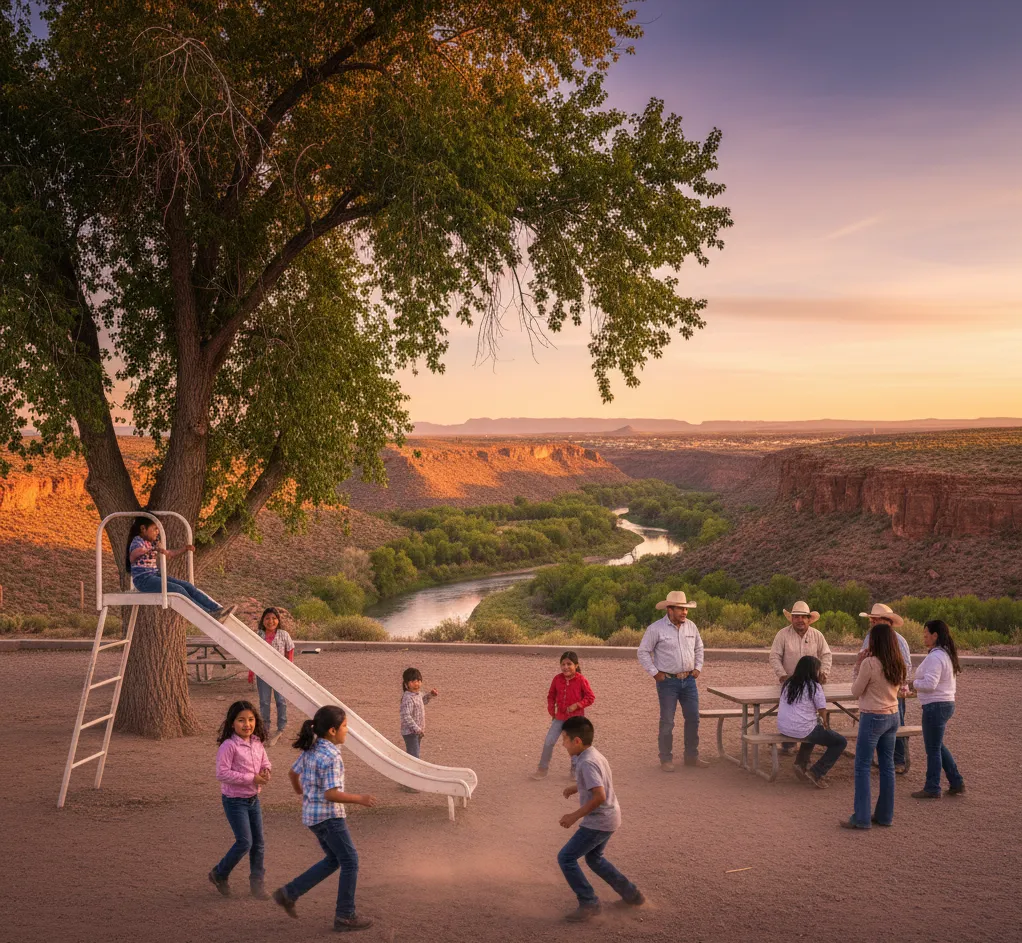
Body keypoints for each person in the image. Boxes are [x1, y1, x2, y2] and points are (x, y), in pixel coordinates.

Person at [273, 706, 377, 932]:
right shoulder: (332, 756)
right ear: (332, 730)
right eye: (345, 726)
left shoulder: (312, 748)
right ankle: (345, 915)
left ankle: (289, 893)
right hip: (330, 818)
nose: (347, 731)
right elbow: (331, 794)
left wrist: (300, 791)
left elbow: (293, 773)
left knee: (334, 859)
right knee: (350, 861)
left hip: (313, 818)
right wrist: (360, 799)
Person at [556, 716, 645, 922]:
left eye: (565, 739)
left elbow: (599, 796)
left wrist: (573, 816)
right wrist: (576, 787)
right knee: (594, 859)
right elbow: (597, 783)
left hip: (599, 821)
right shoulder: (593, 754)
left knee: (566, 858)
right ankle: (632, 895)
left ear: (576, 741)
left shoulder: (586, 762)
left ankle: (589, 903)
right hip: (611, 816)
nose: (562, 744)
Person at [841, 621, 906, 830]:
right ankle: (885, 815)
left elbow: (855, 690)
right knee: (887, 766)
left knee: (862, 766)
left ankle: (861, 817)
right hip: (892, 715)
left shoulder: (870, 664)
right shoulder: (898, 662)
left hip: (872, 716)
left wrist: (858, 665)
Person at [637, 590, 708, 771]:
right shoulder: (655, 629)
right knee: (668, 720)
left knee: (693, 718)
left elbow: (699, 647)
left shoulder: (691, 626)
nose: (684, 612)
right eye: (680, 609)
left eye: (686, 609)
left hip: (689, 680)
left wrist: (698, 667)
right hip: (667, 682)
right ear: (670, 609)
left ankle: (691, 756)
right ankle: (666, 759)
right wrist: (654, 673)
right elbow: (643, 651)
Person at [209, 700, 272, 899]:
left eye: (251, 719)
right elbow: (222, 773)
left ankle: (257, 884)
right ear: (232, 723)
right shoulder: (228, 746)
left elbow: (265, 760)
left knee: (259, 843)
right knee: (245, 842)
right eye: (241, 720)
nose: (247, 724)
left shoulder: (257, 742)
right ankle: (219, 873)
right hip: (234, 800)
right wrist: (251, 778)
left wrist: (266, 770)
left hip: (253, 799)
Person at [125, 517, 236, 622]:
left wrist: (185, 549)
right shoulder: (137, 541)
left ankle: (216, 609)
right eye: (155, 529)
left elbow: (169, 554)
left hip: (155, 575)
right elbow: (133, 555)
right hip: (143, 580)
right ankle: (207, 613)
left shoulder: (152, 542)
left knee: (187, 586)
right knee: (178, 589)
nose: (157, 532)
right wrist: (152, 548)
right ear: (143, 529)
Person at [910, 619, 965, 799]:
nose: (924, 637)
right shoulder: (945, 654)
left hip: (935, 705)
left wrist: (913, 684)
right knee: (937, 745)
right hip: (945, 703)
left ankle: (933, 786)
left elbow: (930, 684)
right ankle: (956, 781)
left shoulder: (935, 657)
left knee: (932, 748)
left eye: (926, 634)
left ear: (935, 635)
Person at [776, 656, 847, 788]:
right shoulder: (814, 686)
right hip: (802, 728)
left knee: (814, 726)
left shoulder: (788, 683)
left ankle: (801, 764)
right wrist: (826, 725)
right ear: (813, 671)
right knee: (840, 741)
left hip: (784, 727)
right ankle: (817, 772)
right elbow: (822, 710)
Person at [860, 603, 913, 774]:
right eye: (872, 620)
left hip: (891, 689)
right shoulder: (869, 637)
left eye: (876, 620)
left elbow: (906, 666)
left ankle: (899, 760)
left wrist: (893, 681)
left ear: (887, 622)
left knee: (897, 722)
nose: (873, 623)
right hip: (873, 689)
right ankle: (884, 759)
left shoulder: (899, 641)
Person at [531, 651, 596, 781]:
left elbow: (590, 697)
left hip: (575, 720)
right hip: (559, 717)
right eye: (563, 664)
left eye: (569, 664)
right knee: (549, 741)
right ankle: (542, 769)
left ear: (576, 665)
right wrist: (552, 712)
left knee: (573, 746)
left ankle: (575, 770)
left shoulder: (581, 680)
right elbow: (551, 696)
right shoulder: (557, 679)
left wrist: (577, 705)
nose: (565, 667)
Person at [248, 608, 294, 747]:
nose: (271, 621)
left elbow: (289, 651)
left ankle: (281, 727)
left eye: (274, 618)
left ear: (278, 620)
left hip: (280, 673)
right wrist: (251, 672)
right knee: (264, 702)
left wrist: (289, 670)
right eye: (267, 618)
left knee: (281, 700)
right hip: (262, 673)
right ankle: (265, 727)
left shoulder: (283, 634)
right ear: (263, 620)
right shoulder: (258, 635)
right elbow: (252, 654)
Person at [769, 602, 833, 683]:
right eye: (796, 617)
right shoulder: (782, 635)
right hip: (789, 683)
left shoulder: (817, 635)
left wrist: (823, 673)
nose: (800, 620)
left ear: (809, 619)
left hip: (812, 683)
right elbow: (774, 656)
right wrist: (782, 675)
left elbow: (826, 655)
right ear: (792, 619)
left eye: (803, 617)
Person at [399, 667, 439, 759]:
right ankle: (410, 771)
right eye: (413, 682)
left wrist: (431, 695)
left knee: (414, 753)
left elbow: (423, 701)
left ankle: (410, 769)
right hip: (410, 732)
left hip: (418, 731)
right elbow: (406, 716)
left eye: (418, 681)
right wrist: (416, 729)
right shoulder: (408, 698)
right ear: (406, 684)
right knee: (414, 756)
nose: (416, 684)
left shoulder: (418, 694)